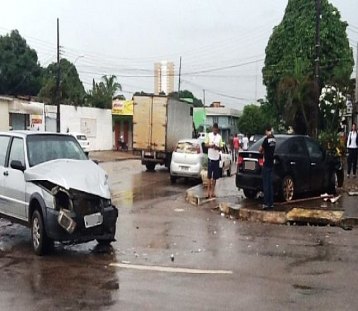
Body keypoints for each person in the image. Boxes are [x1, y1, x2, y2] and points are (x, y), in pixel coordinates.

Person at [259, 126, 276, 209]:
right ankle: (271, 203)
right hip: (271, 164)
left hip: (266, 164)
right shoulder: (274, 139)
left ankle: (266, 203)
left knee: (266, 185)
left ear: (267, 131)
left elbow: (260, 149)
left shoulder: (266, 140)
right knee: (270, 184)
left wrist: (263, 149)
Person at [205, 123, 223, 198]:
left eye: (216, 129)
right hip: (210, 158)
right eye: (214, 129)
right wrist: (211, 146)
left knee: (215, 177)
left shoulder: (219, 137)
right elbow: (205, 145)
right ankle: (208, 192)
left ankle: (213, 192)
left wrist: (217, 147)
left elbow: (221, 147)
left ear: (217, 129)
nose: (215, 130)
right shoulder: (209, 135)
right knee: (209, 176)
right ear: (212, 129)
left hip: (216, 158)